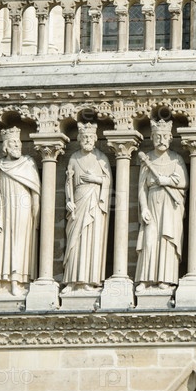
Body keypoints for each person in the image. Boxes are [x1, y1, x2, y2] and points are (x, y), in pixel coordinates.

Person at [136, 120, 187, 292]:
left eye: (165, 136)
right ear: (152, 138)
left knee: (167, 240)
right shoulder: (147, 160)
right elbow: (141, 188)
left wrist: (166, 180)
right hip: (152, 203)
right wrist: (144, 207)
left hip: (170, 206)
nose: (161, 140)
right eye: (158, 136)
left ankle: (166, 278)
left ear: (171, 138)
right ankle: (145, 279)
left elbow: (184, 182)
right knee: (149, 240)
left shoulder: (176, 159)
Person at [0, 127, 40, 298]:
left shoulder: (28, 163)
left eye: (18, 142)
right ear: (5, 146)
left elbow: (35, 190)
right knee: (1, 241)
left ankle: (17, 281)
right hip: (4, 209)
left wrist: (36, 211)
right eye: (12, 142)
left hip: (22, 208)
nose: (17, 145)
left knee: (19, 242)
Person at [62, 123, 112, 294]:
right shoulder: (74, 158)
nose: (87, 140)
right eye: (84, 137)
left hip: (95, 205)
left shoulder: (101, 158)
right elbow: (68, 182)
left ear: (95, 139)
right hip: (78, 202)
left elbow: (108, 181)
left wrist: (96, 179)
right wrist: (68, 200)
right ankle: (72, 281)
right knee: (75, 241)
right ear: (79, 139)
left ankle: (90, 280)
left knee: (92, 241)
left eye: (90, 137)